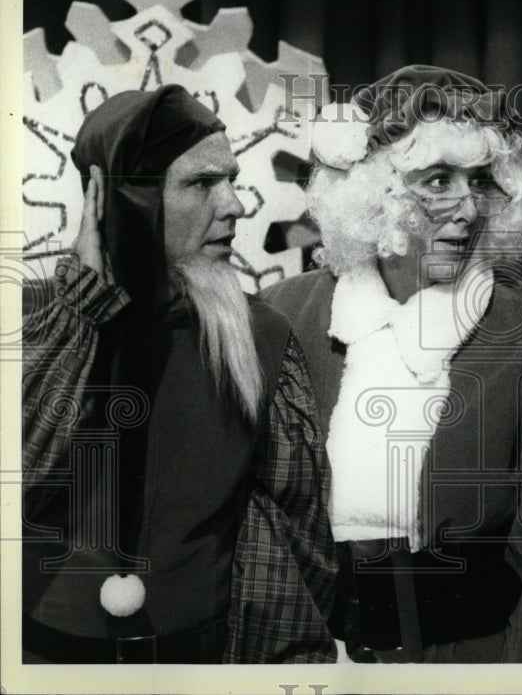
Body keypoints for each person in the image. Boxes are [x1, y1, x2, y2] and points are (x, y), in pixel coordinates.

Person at [260, 64, 522, 662]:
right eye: (436, 181)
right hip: (318, 658)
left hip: (474, 662)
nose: (467, 206)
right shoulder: (286, 316)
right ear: (375, 193)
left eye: (480, 180)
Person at [21, 85, 338, 663]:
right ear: (126, 202)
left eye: (232, 180)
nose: (235, 206)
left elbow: (298, 537)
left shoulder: (263, 337)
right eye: (200, 184)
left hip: (202, 662)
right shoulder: (30, 324)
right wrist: (82, 311)